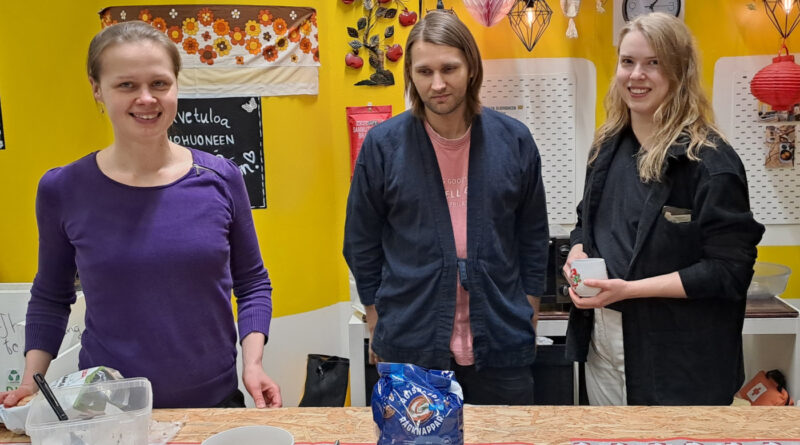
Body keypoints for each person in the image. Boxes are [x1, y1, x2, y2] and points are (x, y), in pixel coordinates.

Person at [0, 21, 281, 409]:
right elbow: (50, 295)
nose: (146, 98)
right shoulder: (62, 189)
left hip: (212, 406)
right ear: (97, 89)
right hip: (107, 411)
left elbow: (253, 284)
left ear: (177, 86)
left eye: (160, 84)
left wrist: (254, 363)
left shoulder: (221, 177)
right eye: (126, 85)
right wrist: (34, 382)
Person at [343, 10, 549, 405]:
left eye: (449, 68)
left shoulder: (515, 141)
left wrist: (529, 311)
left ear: (471, 67)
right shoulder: (384, 147)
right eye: (424, 72)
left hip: (501, 345)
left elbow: (533, 237)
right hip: (411, 345)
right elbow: (360, 241)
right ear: (410, 75)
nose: (437, 84)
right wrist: (376, 321)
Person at [563, 13, 764, 406]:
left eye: (654, 63)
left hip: (681, 356)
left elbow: (729, 271)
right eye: (628, 62)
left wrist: (630, 291)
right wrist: (576, 250)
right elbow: (585, 222)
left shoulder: (710, 163)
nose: (637, 75)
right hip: (602, 342)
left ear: (680, 72)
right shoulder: (607, 149)